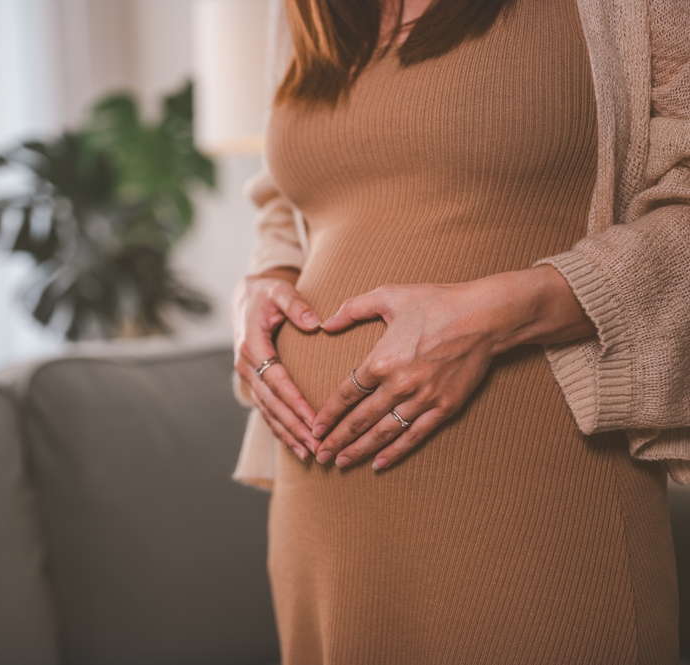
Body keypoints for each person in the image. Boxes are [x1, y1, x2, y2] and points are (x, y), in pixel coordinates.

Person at [230, 0, 690, 662]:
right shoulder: (302, 10)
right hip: (321, 517)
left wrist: (505, 313)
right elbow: (290, 197)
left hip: (535, 498)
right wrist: (258, 287)